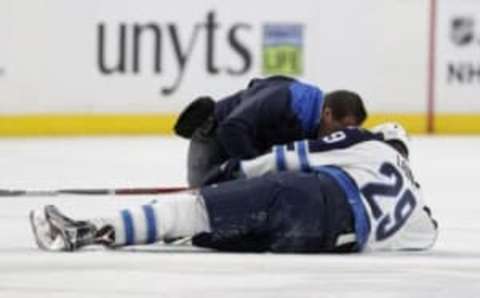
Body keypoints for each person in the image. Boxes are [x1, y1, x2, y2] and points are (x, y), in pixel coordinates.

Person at [30, 122, 438, 253]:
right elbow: (426, 236)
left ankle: (84, 231)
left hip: (312, 196)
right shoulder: (417, 205)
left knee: (196, 207)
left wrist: (238, 171)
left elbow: (289, 158)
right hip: (327, 241)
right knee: (211, 231)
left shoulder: (367, 143)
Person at [174, 75, 368, 187]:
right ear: (327, 114)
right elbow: (231, 129)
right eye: (340, 129)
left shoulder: (312, 123)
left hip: (237, 146)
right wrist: (259, 170)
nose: (338, 137)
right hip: (213, 141)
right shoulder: (285, 100)